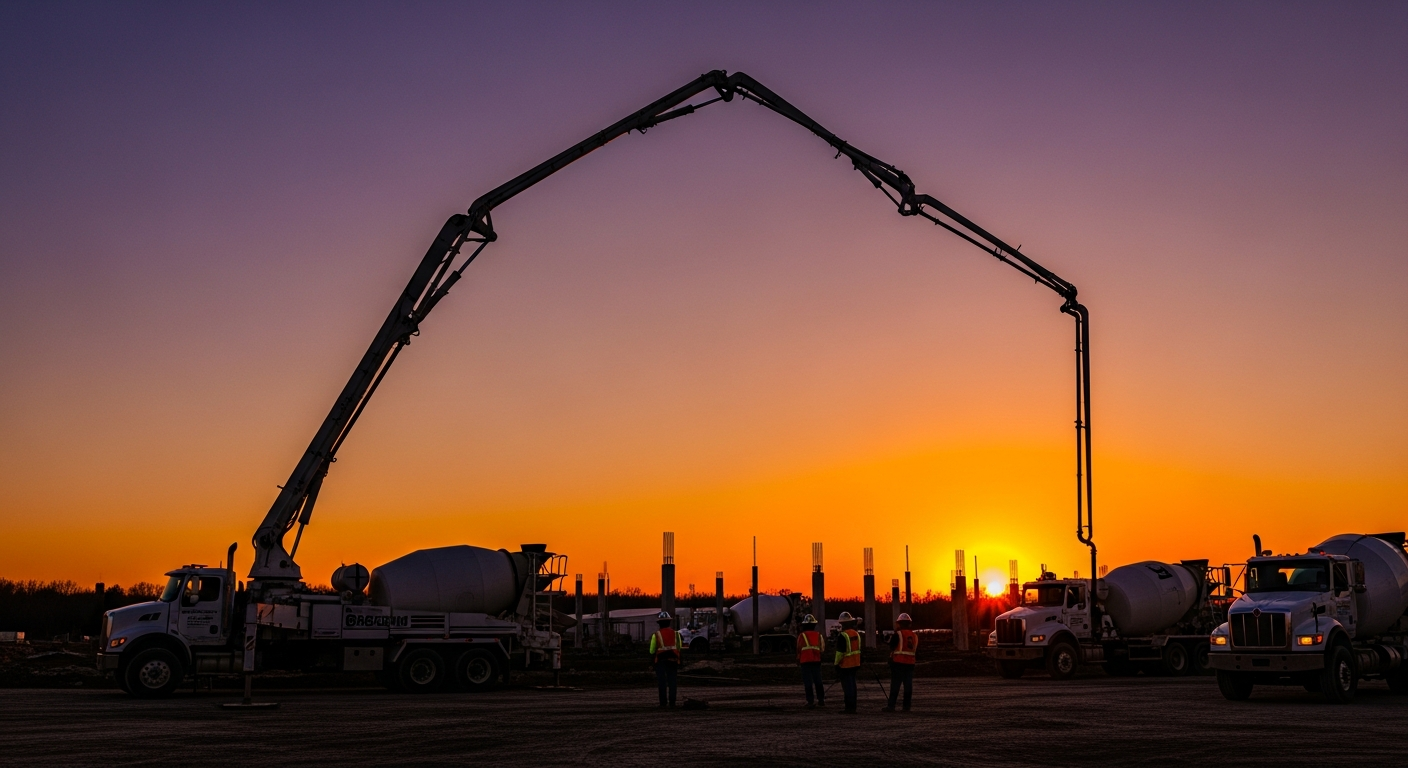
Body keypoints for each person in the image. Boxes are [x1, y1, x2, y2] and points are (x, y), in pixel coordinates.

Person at [883, 612, 918, 712]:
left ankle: (891, 706)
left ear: (899, 624)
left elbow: (892, 647)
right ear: (909, 624)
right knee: (908, 687)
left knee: (895, 686)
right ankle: (906, 707)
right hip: (910, 664)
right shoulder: (914, 636)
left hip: (898, 664)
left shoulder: (898, 634)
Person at [648, 610, 681, 708]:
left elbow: (652, 651)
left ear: (659, 623)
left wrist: (651, 663)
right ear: (669, 622)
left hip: (661, 662)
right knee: (672, 682)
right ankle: (672, 703)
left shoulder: (656, 635)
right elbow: (679, 648)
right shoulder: (676, 634)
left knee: (662, 683)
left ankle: (663, 703)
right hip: (673, 661)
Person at [834, 611, 862, 714]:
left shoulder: (843, 636)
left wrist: (836, 664)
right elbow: (859, 650)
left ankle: (849, 707)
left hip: (846, 665)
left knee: (847, 687)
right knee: (853, 686)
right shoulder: (856, 634)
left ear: (842, 624)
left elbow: (839, 653)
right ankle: (853, 706)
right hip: (855, 664)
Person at [796, 614, 825, 708]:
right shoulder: (818, 635)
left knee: (808, 682)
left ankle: (810, 701)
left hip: (805, 661)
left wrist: (798, 660)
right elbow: (822, 649)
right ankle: (821, 700)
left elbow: (798, 649)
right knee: (818, 681)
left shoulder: (802, 635)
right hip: (816, 661)